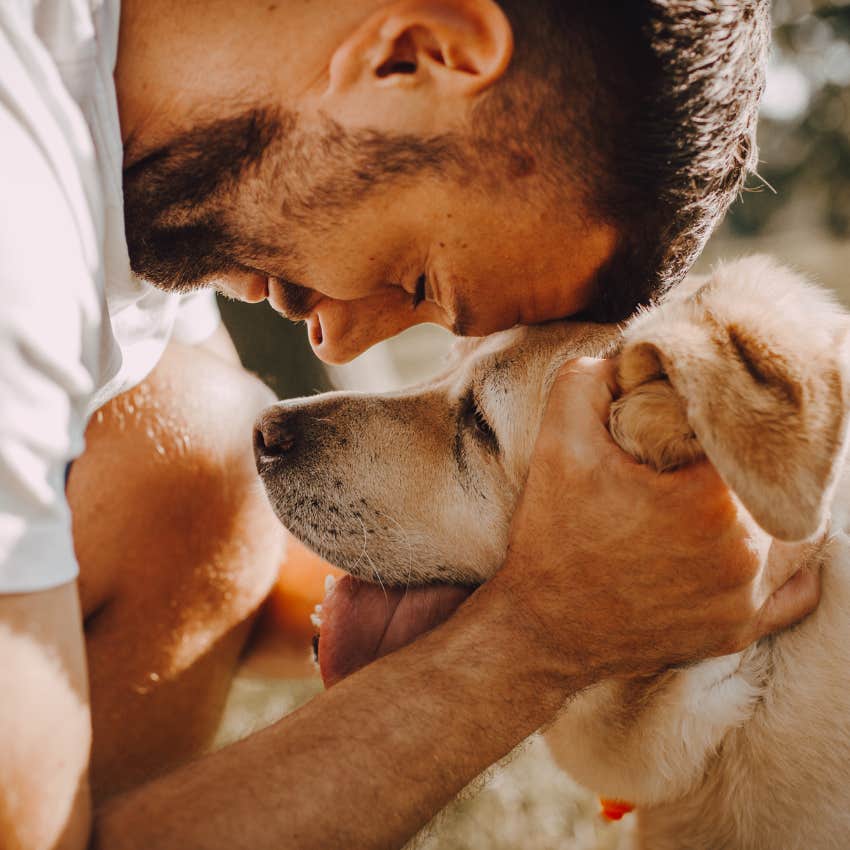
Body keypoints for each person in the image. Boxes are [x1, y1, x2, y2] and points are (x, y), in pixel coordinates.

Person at [0, 1, 819, 848]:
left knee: (192, 447)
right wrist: (541, 638)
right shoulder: (17, 216)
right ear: (418, 53)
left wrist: (627, 575)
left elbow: (218, 564)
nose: (337, 335)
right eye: (419, 279)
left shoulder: (122, 149)